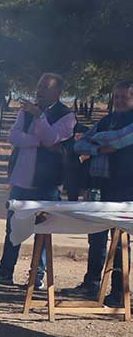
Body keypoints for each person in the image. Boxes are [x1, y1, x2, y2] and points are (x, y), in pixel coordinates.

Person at [0, 73, 76, 287]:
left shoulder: (67, 116)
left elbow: (54, 138)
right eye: (39, 86)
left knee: (42, 231)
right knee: (13, 228)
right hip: (21, 180)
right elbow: (13, 137)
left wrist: (40, 118)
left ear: (57, 93)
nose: (39, 91)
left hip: (47, 183)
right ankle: (5, 271)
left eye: (45, 88)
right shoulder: (27, 111)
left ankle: (37, 277)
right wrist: (39, 142)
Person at [61, 80, 133, 303]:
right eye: (117, 97)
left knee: (120, 241)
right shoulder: (106, 120)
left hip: (125, 188)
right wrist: (99, 147)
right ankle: (91, 284)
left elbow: (121, 140)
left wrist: (94, 141)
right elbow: (78, 145)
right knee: (96, 238)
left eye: (124, 97)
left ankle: (119, 292)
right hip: (99, 186)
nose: (119, 101)